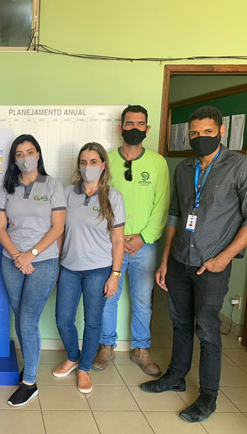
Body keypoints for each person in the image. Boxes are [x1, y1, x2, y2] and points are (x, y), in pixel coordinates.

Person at [142, 106, 247, 422]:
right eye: (195, 133)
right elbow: (175, 214)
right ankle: (176, 376)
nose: (200, 138)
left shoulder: (242, 167)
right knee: (180, 323)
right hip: (179, 260)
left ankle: (208, 397)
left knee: (208, 330)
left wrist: (224, 258)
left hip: (211, 265)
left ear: (221, 131)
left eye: (208, 132)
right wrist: (165, 260)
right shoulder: (184, 168)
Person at [93, 105, 170, 377]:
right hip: (110, 244)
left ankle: (141, 349)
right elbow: (98, 201)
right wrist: (115, 237)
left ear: (147, 129)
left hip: (144, 246)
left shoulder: (158, 163)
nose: (134, 128)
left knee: (142, 301)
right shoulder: (106, 160)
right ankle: (106, 347)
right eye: (129, 123)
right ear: (120, 128)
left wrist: (143, 237)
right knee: (108, 297)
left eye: (139, 124)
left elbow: (162, 205)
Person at [0, 134, 66, 407]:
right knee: (21, 315)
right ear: (14, 159)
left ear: (39, 154)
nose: (26, 158)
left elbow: (57, 228)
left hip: (43, 261)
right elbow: (0, 227)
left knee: (27, 319)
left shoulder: (53, 186)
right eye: (20, 154)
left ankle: (30, 383)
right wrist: (17, 255)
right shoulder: (7, 188)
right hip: (11, 260)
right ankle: (31, 365)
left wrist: (31, 255)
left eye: (30, 151)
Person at [53, 142, 125, 393]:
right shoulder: (66, 194)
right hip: (69, 268)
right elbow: (59, 232)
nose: (88, 167)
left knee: (92, 321)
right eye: (83, 162)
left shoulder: (114, 197)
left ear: (103, 165)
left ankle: (84, 368)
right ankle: (73, 357)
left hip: (99, 269)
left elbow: (118, 240)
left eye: (93, 162)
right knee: (63, 319)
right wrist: (57, 265)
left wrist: (115, 275)